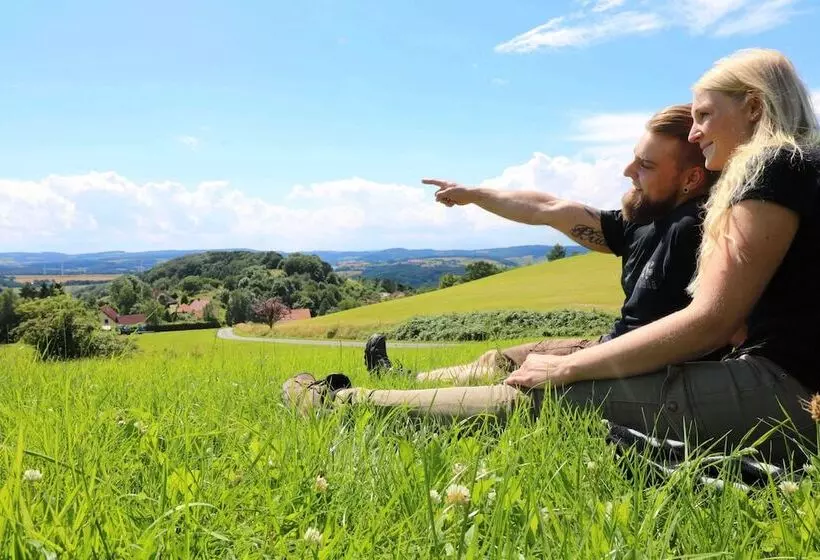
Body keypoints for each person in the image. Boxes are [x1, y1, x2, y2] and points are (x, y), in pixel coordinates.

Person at [285, 48, 820, 465]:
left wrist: (569, 366)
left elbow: (711, 321)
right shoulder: (785, 172)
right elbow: (553, 207)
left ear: (753, 106)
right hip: (780, 381)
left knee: (556, 399)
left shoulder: (773, 169)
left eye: (706, 114)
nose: (697, 129)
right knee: (533, 369)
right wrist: (476, 194)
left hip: (789, 394)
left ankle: (338, 406)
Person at [367, 104, 722, 384]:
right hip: (609, 348)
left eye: (645, 165)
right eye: (634, 157)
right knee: (500, 360)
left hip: (633, 368)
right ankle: (404, 379)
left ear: (691, 178)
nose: (628, 171)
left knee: (518, 381)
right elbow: (549, 208)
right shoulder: (641, 220)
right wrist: (474, 194)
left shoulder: (702, 228)